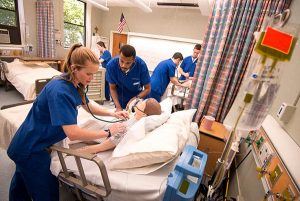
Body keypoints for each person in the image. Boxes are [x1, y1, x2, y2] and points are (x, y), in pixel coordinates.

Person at [6, 43, 128, 201]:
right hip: (31, 148)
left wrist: (113, 112)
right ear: (74, 68)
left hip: (30, 142)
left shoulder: (74, 83)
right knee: (46, 193)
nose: (91, 79)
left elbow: (87, 105)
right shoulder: (60, 91)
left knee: (21, 185)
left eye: (93, 74)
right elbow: (73, 133)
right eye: (89, 74)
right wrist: (109, 132)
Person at [79, 98, 162, 154]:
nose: (138, 104)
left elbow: (114, 141)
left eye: (141, 105)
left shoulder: (133, 127)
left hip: (106, 130)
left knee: (87, 121)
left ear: (144, 114)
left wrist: (94, 148)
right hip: (109, 123)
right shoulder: (137, 116)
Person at [106, 44, 151, 111]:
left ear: (134, 60)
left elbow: (147, 88)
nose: (123, 65)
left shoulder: (141, 65)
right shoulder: (111, 66)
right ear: (119, 56)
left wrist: (135, 99)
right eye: (121, 61)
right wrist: (118, 107)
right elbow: (112, 88)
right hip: (119, 99)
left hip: (137, 99)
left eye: (128, 63)